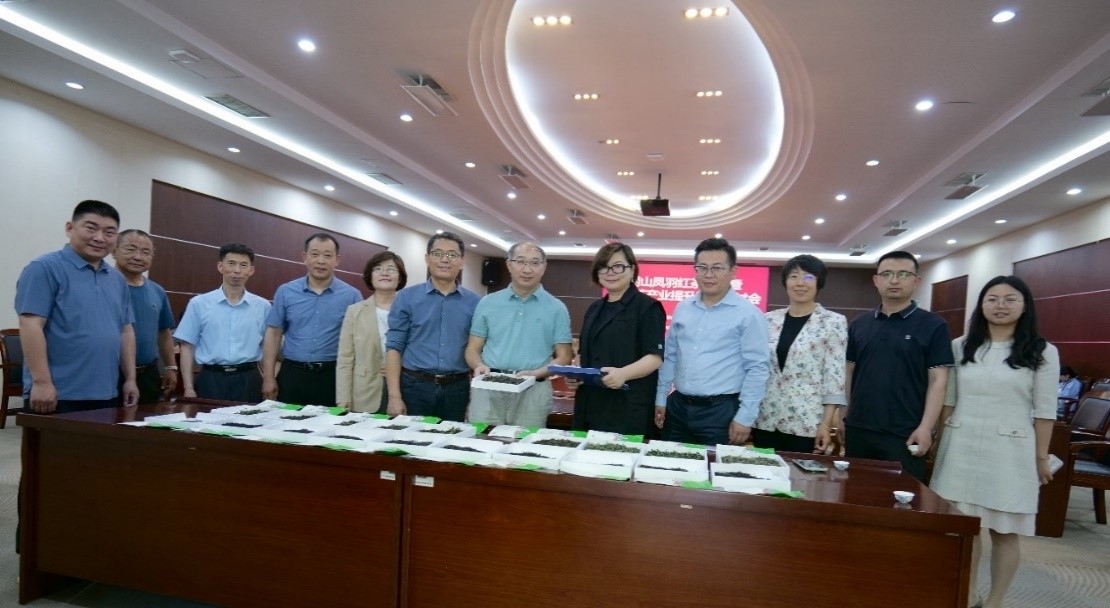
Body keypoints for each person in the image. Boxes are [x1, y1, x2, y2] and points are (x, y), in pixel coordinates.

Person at [930, 276, 1057, 608]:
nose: (1000, 305)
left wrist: (1041, 457)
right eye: (992, 299)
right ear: (981, 305)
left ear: (1024, 306)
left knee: (1004, 531)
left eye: (1010, 299)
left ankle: (995, 601)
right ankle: (967, 595)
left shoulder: (1042, 351)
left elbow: (1045, 411)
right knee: (963, 529)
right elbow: (948, 401)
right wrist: (938, 445)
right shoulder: (961, 346)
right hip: (960, 446)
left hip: (1010, 452)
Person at [15, 200, 138, 413]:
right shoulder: (44, 268)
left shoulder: (117, 279)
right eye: (91, 228)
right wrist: (42, 382)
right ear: (70, 228)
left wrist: (130, 379)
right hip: (59, 392)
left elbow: (125, 331)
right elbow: (30, 325)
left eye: (109, 232)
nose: (99, 238)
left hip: (107, 392)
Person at [841, 250, 952, 481]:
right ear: (876, 280)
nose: (894, 280)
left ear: (916, 281)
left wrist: (926, 428)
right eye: (887, 274)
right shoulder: (860, 324)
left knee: (902, 497)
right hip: (859, 429)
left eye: (903, 274)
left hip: (906, 433)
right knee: (857, 493)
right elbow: (848, 373)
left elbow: (938, 381)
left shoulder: (934, 325)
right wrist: (843, 418)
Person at [655, 238, 769, 446]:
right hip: (678, 407)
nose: (709, 275)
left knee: (714, 465)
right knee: (670, 461)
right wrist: (661, 398)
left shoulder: (749, 314)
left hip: (721, 412)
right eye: (702, 267)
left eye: (717, 268)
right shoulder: (683, 308)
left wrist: (745, 416)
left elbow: (757, 368)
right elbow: (670, 356)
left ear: (733, 271)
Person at [466, 242, 573, 427]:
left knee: (525, 443)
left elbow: (564, 357)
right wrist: (478, 365)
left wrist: (536, 373)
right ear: (509, 264)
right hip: (489, 387)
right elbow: (472, 349)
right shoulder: (488, 303)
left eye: (534, 263)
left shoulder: (557, 308)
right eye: (521, 261)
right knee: (481, 439)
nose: (527, 269)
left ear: (544, 267)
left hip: (534, 389)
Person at [752, 255, 847, 453]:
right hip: (766, 418)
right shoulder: (768, 320)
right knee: (764, 469)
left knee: (800, 472)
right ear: (785, 282)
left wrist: (825, 424)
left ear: (819, 282)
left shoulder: (833, 322)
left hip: (806, 423)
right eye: (793, 276)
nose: (800, 283)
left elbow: (834, 378)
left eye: (808, 277)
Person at [570, 242, 665, 437]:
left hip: (626, 405)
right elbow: (583, 353)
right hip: (589, 403)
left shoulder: (648, 307)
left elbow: (655, 357)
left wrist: (623, 373)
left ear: (632, 270)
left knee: (619, 456)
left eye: (618, 266)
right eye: (603, 267)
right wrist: (576, 373)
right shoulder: (594, 308)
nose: (610, 272)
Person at [385, 232, 480, 421]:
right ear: (427, 259)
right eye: (438, 254)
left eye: (452, 255)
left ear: (462, 261)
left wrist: (473, 401)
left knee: (453, 438)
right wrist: (394, 396)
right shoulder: (406, 298)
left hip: (457, 389)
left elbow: (478, 351)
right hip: (414, 387)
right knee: (411, 439)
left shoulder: (475, 303)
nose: (445, 260)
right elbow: (394, 348)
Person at [262, 233, 362, 406]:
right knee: (286, 422)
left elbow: (359, 342)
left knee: (330, 423)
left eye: (328, 255)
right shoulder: (286, 292)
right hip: (292, 374)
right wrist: (268, 377)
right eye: (315, 254)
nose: (321, 261)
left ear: (337, 260)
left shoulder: (352, 296)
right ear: (304, 257)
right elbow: (274, 334)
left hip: (333, 376)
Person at [174, 244, 271, 402]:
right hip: (211, 379)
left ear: (251, 270)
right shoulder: (198, 304)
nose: (237, 270)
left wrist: (268, 380)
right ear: (220, 266)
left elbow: (268, 348)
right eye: (231, 263)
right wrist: (188, 387)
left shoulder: (263, 307)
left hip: (249, 379)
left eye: (243, 265)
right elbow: (187, 347)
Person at [336, 251, 407, 413]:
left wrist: (397, 365)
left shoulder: (410, 311)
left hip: (403, 388)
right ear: (370, 276)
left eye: (391, 269)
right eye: (378, 269)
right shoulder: (354, 311)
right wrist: (343, 398)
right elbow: (345, 358)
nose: (384, 273)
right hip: (363, 392)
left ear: (400, 277)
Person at [113, 229, 177, 404]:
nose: (138, 257)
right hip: (110, 373)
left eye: (145, 252)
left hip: (148, 374)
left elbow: (164, 332)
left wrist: (171, 366)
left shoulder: (157, 291)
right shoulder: (103, 286)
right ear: (114, 251)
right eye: (130, 249)